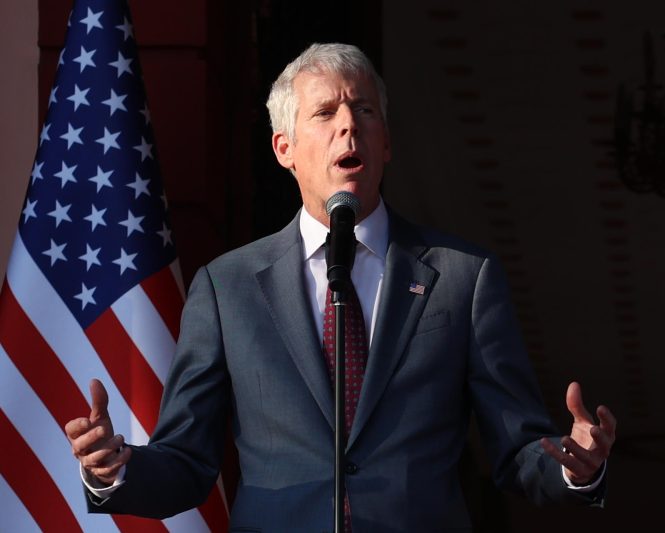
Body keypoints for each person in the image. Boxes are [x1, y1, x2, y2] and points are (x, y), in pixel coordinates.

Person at [66, 42, 616, 531]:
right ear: (284, 148)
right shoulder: (226, 287)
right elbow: (186, 462)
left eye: (364, 110)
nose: (348, 125)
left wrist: (575, 465)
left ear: (386, 142)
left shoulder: (463, 277)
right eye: (326, 113)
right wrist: (115, 470)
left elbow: (517, 450)